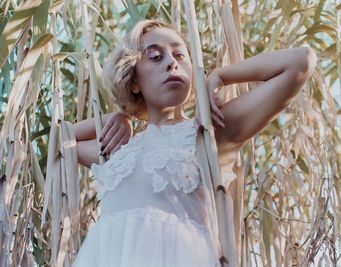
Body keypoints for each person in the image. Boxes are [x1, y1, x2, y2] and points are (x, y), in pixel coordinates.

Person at [71, 19, 317, 266]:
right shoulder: (120, 150)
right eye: (156, 56)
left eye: (180, 55)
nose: (172, 62)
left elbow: (301, 61)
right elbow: (65, 140)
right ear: (134, 81)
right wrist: (122, 116)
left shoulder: (208, 131)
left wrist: (219, 77)